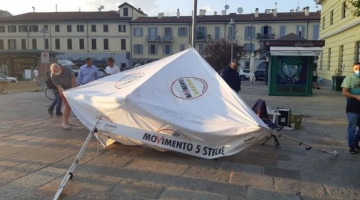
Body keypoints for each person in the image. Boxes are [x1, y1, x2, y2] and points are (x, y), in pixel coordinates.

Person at [50, 63, 76, 130]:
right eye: (55, 72)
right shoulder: (53, 75)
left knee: (70, 106)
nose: (57, 73)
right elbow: (58, 86)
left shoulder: (68, 68)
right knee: (66, 105)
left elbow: (73, 80)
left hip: (72, 89)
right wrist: (62, 93)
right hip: (64, 90)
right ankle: (65, 123)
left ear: (60, 67)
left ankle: (67, 121)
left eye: (57, 71)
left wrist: (74, 90)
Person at [341, 62, 360, 154]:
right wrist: (356, 96)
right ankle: (351, 146)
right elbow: (344, 92)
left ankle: (356, 143)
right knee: (352, 128)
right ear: (353, 69)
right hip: (352, 108)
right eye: (356, 69)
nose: (358, 71)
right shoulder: (349, 79)